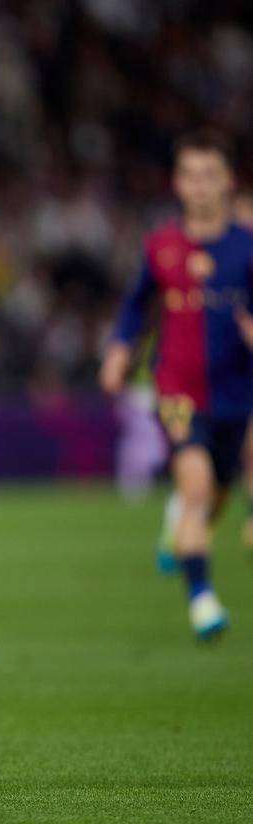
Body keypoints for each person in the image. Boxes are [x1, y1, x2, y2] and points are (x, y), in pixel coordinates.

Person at [100, 129, 253, 641]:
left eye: (210, 175)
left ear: (228, 181)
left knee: (216, 493)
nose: (200, 185)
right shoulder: (161, 246)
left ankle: (181, 528)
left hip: (236, 395)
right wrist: (120, 352)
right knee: (196, 484)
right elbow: (135, 308)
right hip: (177, 391)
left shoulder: (246, 248)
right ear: (178, 183)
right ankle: (202, 600)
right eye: (191, 175)